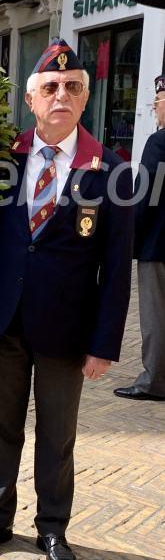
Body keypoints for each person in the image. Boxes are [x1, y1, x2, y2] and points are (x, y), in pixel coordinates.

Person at [0, 40, 134, 560]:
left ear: (85, 99)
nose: (62, 95)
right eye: (51, 88)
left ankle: (53, 528)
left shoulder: (111, 169)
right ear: (31, 100)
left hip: (67, 329)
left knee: (58, 433)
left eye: (73, 87)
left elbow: (117, 267)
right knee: (1, 424)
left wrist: (104, 343)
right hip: (6, 320)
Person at [114, 73, 165, 402]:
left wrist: (129, 240)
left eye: (157, 104)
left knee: (156, 317)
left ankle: (154, 382)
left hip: (158, 244)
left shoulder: (158, 143)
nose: (156, 111)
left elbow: (145, 197)